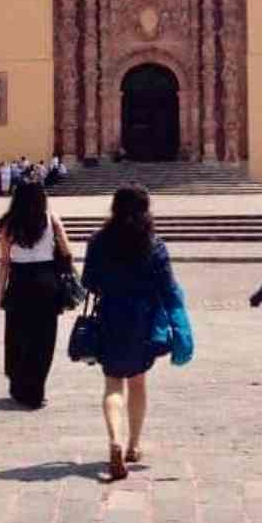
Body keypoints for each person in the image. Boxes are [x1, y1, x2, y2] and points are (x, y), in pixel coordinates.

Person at [83, 184, 192, 481]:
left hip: (111, 316)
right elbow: (168, 288)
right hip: (144, 320)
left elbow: (89, 282)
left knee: (112, 384)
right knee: (138, 382)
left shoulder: (98, 241)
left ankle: (114, 440)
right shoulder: (153, 244)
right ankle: (133, 446)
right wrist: (179, 324)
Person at [0, 177, 73, 408]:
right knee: (44, 338)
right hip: (46, 282)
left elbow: (4, 262)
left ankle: (19, 385)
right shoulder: (51, 219)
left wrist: (1, 292)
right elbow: (67, 251)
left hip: (20, 282)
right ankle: (36, 389)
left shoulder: (9, 224)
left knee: (18, 335)